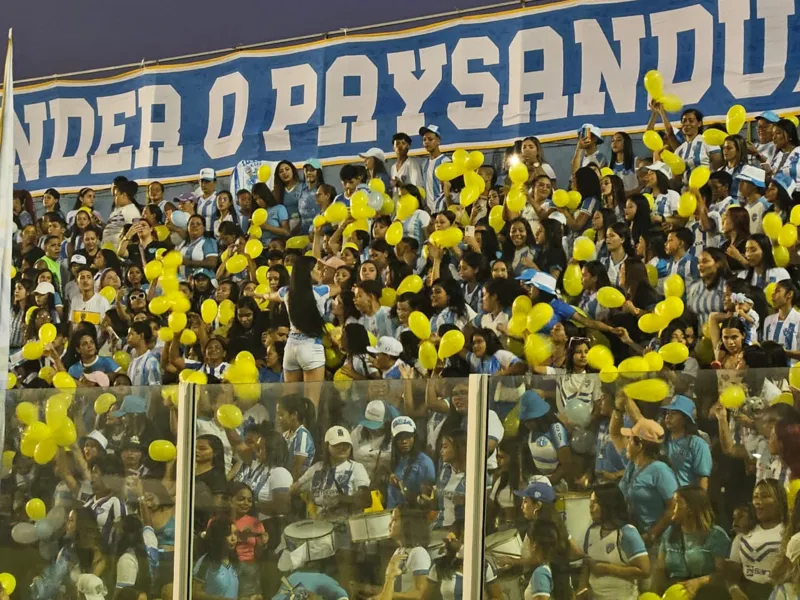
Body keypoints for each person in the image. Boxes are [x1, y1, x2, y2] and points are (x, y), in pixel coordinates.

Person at [651, 486, 730, 596]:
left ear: (691, 508)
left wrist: (699, 582)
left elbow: (722, 574)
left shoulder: (716, 535)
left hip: (706, 594)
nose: (673, 507)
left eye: (677, 502)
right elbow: (660, 569)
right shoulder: (670, 533)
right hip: (673, 593)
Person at [611, 416, 678, 546]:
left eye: (630, 439)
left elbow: (673, 507)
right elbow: (614, 434)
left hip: (656, 543)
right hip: (633, 537)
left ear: (639, 445)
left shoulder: (660, 470)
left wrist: (652, 534)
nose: (627, 443)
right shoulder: (632, 465)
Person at [577, 484, 649, 600]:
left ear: (608, 506)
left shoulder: (627, 533)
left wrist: (607, 568)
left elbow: (644, 570)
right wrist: (582, 587)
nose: (591, 507)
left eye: (595, 502)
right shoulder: (591, 531)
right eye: (590, 502)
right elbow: (587, 564)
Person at [727, 479, 788, 600]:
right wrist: (734, 589)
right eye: (755, 497)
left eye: (765, 496)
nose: (758, 502)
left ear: (780, 501)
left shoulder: (789, 533)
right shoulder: (743, 534)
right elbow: (733, 571)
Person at [662, 395, 712, 488]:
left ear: (686, 418)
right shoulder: (661, 441)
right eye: (667, 412)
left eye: (674, 413)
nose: (668, 416)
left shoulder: (697, 444)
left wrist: (699, 502)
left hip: (685, 498)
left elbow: (703, 480)